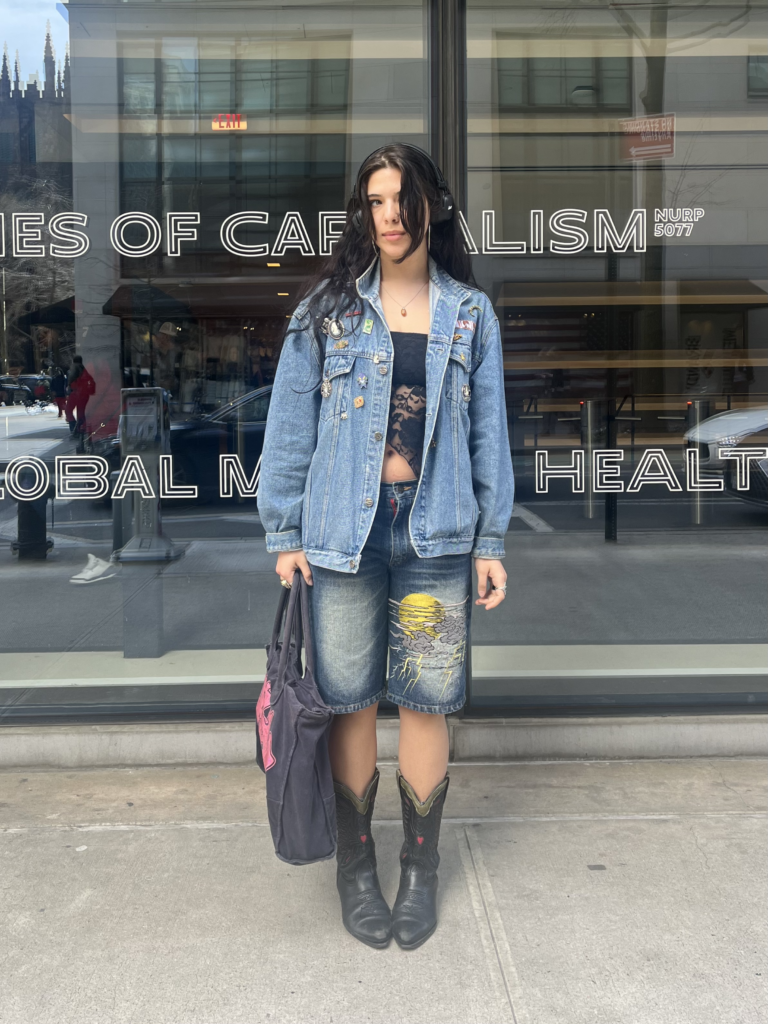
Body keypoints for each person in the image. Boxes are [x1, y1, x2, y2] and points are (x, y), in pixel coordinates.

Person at [257, 144, 514, 950]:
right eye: (375, 200)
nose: (391, 214)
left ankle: (422, 872)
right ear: (362, 212)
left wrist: (491, 541)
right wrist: (285, 531)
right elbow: (289, 430)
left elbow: (488, 436)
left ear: (431, 205)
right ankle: (357, 869)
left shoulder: (469, 313)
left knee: (429, 700)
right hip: (344, 536)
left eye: (403, 198)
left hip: (436, 535)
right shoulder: (325, 312)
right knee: (352, 700)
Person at [65, 355, 96, 438]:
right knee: (81, 413)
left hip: (76, 394)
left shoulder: (75, 370)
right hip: (84, 395)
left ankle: (75, 430)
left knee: (68, 411)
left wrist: (71, 389)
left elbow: (73, 382)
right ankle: (80, 429)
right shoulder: (83, 370)